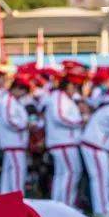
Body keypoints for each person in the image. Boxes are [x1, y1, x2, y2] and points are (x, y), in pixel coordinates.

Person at [44, 70, 86, 209]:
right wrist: (80, 121)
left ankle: (58, 206)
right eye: (74, 85)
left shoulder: (63, 98)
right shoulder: (58, 96)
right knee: (71, 173)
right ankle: (66, 207)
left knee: (63, 174)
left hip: (64, 142)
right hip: (63, 142)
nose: (75, 89)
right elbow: (60, 117)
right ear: (67, 85)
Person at [0, 74, 32, 194]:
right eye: (23, 91)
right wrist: (25, 125)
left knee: (9, 174)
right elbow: (9, 120)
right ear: (16, 88)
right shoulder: (8, 100)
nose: (23, 94)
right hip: (13, 143)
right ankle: (18, 199)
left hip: (15, 143)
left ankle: (7, 200)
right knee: (18, 172)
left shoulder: (13, 100)